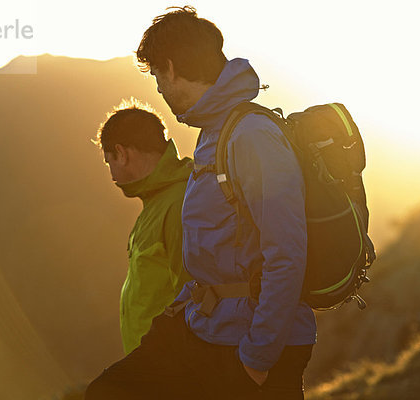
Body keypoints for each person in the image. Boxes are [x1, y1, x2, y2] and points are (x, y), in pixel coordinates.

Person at [86, 7, 316, 399]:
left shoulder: (251, 136)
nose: (159, 88)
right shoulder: (215, 131)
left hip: (247, 346)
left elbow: (287, 254)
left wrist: (255, 361)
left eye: (157, 75)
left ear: (171, 68)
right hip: (205, 329)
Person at [96, 98, 192, 355]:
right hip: (153, 365)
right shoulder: (157, 201)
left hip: (168, 369)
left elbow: (193, 296)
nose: (112, 173)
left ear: (122, 153)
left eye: (109, 161)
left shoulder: (178, 203)